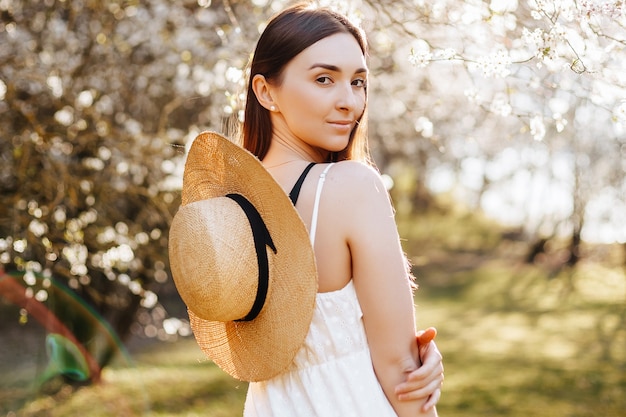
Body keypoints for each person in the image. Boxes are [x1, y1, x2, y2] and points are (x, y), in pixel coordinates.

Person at [168, 2, 443, 416]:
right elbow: (400, 371)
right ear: (265, 91)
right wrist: (419, 371)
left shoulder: (229, 213)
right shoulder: (352, 186)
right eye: (324, 79)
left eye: (358, 82)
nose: (349, 101)